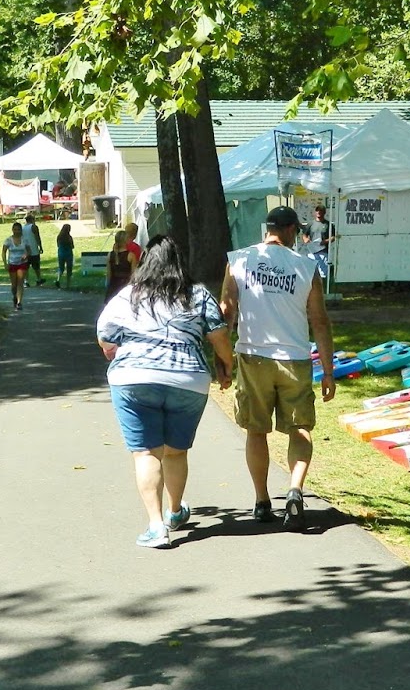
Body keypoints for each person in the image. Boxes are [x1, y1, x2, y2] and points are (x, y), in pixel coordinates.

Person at [97, 238, 235, 548]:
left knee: (146, 453)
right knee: (176, 451)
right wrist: (227, 366)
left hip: (133, 377)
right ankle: (175, 511)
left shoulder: (128, 295)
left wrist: (115, 353)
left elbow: (105, 336)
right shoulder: (197, 294)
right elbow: (220, 336)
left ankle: (156, 526)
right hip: (188, 378)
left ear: (145, 261)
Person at [221, 205, 335, 529]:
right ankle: (295, 489)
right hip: (294, 357)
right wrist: (328, 371)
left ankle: (261, 500)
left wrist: (223, 360)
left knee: (256, 430)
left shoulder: (238, 259)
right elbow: (319, 321)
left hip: (253, 355)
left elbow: (226, 312)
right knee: (300, 428)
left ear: (267, 229)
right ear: (290, 230)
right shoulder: (306, 266)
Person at [2, 221, 31, 310]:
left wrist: (26, 255)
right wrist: (5, 263)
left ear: (21, 230)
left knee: (20, 283)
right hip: (12, 263)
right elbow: (3, 252)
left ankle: (19, 302)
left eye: (18, 229)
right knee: (14, 285)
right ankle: (15, 296)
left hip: (22, 263)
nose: (16, 231)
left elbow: (29, 250)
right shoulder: (8, 240)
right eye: (15, 229)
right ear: (12, 230)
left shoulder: (25, 240)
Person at [104, 229, 134, 300]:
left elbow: (109, 274)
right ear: (126, 241)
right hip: (126, 285)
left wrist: (108, 286)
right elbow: (134, 274)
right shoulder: (131, 256)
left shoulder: (110, 255)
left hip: (113, 285)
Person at [308, 203, 334, 279]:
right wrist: (306, 239)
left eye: (321, 210)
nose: (319, 212)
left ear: (324, 212)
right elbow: (304, 234)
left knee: (323, 275)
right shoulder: (311, 223)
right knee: (312, 275)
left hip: (323, 252)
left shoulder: (328, 224)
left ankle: (324, 286)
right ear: (315, 212)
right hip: (312, 253)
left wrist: (325, 241)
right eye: (317, 210)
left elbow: (333, 237)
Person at [22, 211, 46, 285]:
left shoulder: (22, 228)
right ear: (32, 219)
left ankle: (26, 281)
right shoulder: (34, 227)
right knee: (36, 266)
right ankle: (38, 279)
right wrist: (40, 247)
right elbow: (37, 237)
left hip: (25, 250)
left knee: (26, 266)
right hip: (34, 249)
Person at [55, 223, 76, 288]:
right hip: (68, 254)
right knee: (69, 269)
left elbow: (58, 245)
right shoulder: (69, 237)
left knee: (61, 268)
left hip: (61, 253)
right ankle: (68, 284)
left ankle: (58, 279)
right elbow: (72, 246)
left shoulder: (59, 237)